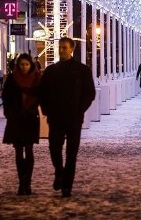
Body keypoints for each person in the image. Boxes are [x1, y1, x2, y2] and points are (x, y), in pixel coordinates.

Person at [40, 37, 96, 198]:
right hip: (56, 116)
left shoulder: (82, 70)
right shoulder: (51, 71)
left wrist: (80, 110)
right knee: (54, 148)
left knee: (72, 154)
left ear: (72, 49)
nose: (61, 50)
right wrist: (46, 110)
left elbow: (89, 93)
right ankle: (59, 171)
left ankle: (67, 187)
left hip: (74, 117)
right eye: (60, 47)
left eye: (64, 47)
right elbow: (42, 92)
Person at [2, 53, 42, 195]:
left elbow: (42, 96)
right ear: (18, 65)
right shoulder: (12, 79)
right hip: (16, 118)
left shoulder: (37, 79)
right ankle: (21, 183)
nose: (24, 67)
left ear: (31, 65)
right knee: (19, 151)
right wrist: (8, 113)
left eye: (27, 64)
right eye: (22, 64)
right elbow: (5, 97)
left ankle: (28, 183)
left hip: (31, 118)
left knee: (29, 150)